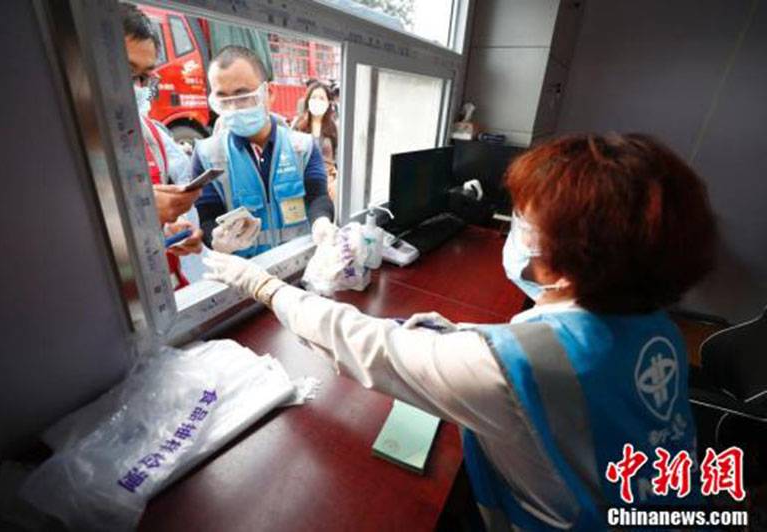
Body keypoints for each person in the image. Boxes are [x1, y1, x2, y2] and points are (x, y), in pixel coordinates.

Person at [202, 133, 718, 530]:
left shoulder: (508, 369)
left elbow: (360, 343)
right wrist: (469, 334)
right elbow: (568, 359)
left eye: (525, 224)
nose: (514, 231)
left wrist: (263, 287)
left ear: (569, 267)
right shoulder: (654, 324)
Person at [193, 47, 335, 258]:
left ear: (268, 93)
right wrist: (214, 238)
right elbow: (206, 213)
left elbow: (318, 196)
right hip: (248, 275)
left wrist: (321, 223)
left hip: (299, 265)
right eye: (223, 99)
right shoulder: (207, 155)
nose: (233, 108)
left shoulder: (302, 147)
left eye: (243, 97)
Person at [119, 4, 203, 288]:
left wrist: (171, 232)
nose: (138, 88)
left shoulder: (154, 136)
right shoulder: (54, 146)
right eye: (127, 74)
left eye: (144, 77)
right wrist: (139, 209)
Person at [292, 82, 338, 202]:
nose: (317, 101)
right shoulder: (297, 126)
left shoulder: (335, 128)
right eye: (314, 97)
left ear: (328, 103)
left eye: (322, 98)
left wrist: (336, 181)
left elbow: (341, 160)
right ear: (307, 101)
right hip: (302, 185)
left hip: (328, 187)